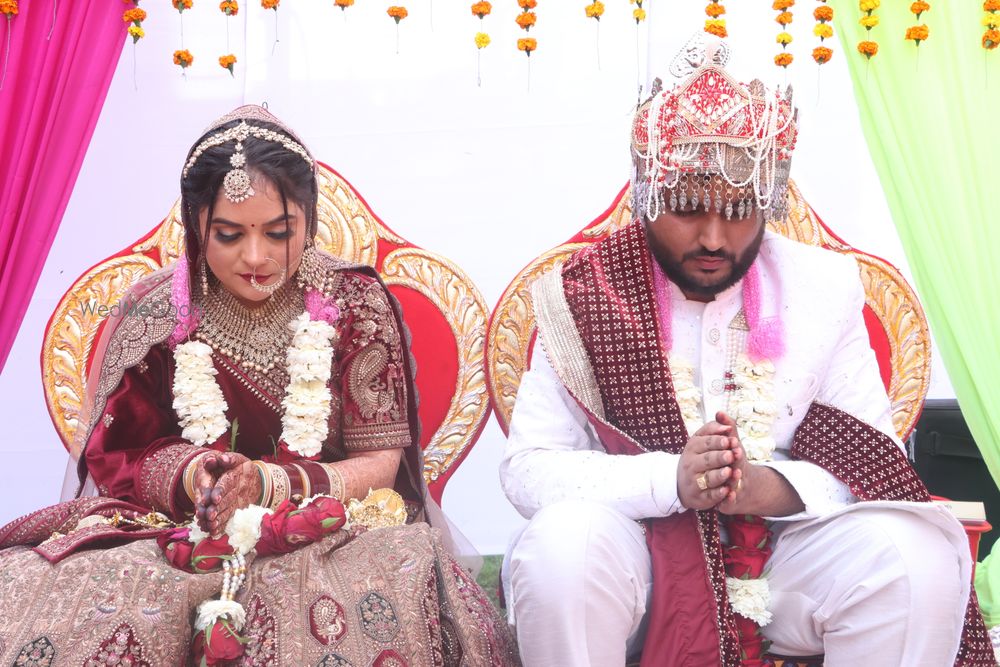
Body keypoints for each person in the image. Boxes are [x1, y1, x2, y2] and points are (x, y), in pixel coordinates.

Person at [499, 41, 994, 667]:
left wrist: (765, 488)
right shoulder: (586, 294)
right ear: (649, 195)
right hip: (632, 554)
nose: (713, 238)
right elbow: (530, 470)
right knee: (561, 550)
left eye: (738, 211)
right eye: (687, 209)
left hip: (783, 557)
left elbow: (874, 462)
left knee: (912, 554)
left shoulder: (822, 290)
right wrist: (671, 481)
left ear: (767, 201)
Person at [0, 105, 519, 666]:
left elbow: (379, 462)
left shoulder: (355, 303)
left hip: (333, 525)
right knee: (85, 603)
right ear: (196, 225)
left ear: (309, 221)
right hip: (175, 528)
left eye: (278, 232)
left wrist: (268, 484)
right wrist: (199, 477)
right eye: (229, 235)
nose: (256, 257)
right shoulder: (155, 313)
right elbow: (119, 454)